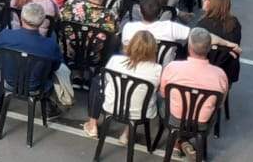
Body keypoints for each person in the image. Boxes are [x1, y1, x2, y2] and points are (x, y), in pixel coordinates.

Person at [159, 28, 229, 158]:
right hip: (201, 124)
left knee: (161, 102)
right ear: (209, 48)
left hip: (175, 119)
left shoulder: (172, 67)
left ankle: (179, 141)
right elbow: (220, 104)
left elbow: (163, 94)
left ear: (189, 47)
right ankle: (183, 142)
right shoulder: (220, 75)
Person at [83, 30, 163, 140]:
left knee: (98, 81)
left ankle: (92, 125)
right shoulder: (157, 69)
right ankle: (127, 134)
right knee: (144, 94)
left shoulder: (116, 60)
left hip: (112, 106)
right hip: (140, 112)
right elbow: (156, 89)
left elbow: (105, 80)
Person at [0, 2, 67, 110]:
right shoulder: (50, 45)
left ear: (21, 18)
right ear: (42, 22)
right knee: (59, 71)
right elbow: (56, 67)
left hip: (8, 82)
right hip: (37, 87)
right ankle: (50, 107)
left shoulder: (5, 36)